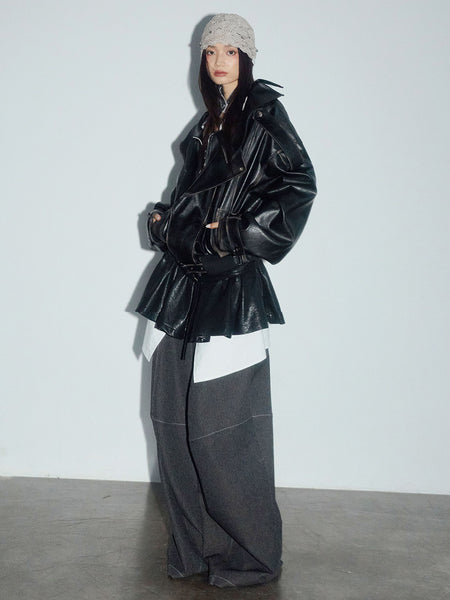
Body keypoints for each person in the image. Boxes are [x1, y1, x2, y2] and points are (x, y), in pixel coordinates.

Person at [135, 13, 317, 588]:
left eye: (230, 51)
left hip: (230, 291)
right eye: (210, 50)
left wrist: (236, 233)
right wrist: (165, 222)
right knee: (171, 422)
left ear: (247, 57)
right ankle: (195, 549)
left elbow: (298, 183)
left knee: (222, 433)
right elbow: (190, 196)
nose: (218, 60)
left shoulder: (262, 113)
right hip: (179, 287)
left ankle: (249, 555)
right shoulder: (209, 121)